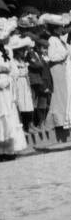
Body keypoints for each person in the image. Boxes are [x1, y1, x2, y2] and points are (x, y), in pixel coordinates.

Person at [0, 26, 28, 160]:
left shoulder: (7, 51)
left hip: (7, 87)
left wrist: (9, 75)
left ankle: (9, 150)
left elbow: (14, 69)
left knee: (9, 117)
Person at [43, 14, 70, 128]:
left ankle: (63, 119)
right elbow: (52, 57)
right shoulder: (52, 40)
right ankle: (56, 120)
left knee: (63, 93)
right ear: (54, 28)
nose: (62, 29)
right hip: (56, 68)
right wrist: (65, 53)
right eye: (59, 27)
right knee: (58, 94)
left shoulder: (59, 39)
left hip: (62, 67)